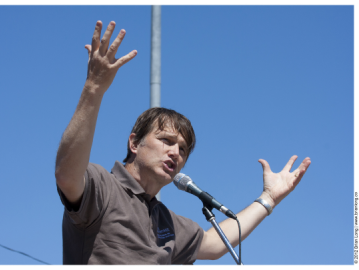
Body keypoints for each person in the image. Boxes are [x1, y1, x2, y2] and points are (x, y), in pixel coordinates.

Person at [55, 20, 312, 265]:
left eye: (183, 149)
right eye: (166, 140)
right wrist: (94, 88)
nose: (175, 153)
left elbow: (215, 244)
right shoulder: (103, 186)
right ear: (134, 143)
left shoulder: (166, 221)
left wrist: (268, 198)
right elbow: (67, 175)